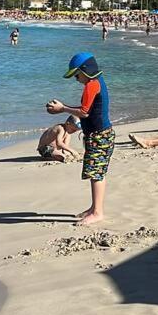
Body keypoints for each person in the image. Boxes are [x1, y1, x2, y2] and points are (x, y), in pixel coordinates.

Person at [45, 53, 114, 226]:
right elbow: (86, 109)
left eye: (77, 75)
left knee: (97, 174)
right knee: (95, 173)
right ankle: (94, 208)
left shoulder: (92, 84)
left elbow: (84, 112)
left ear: (86, 71)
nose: (76, 79)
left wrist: (62, 109)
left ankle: (98, 212)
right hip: (101, 134)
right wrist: (66, 109)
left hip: (100, 136)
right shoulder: (97, 82)